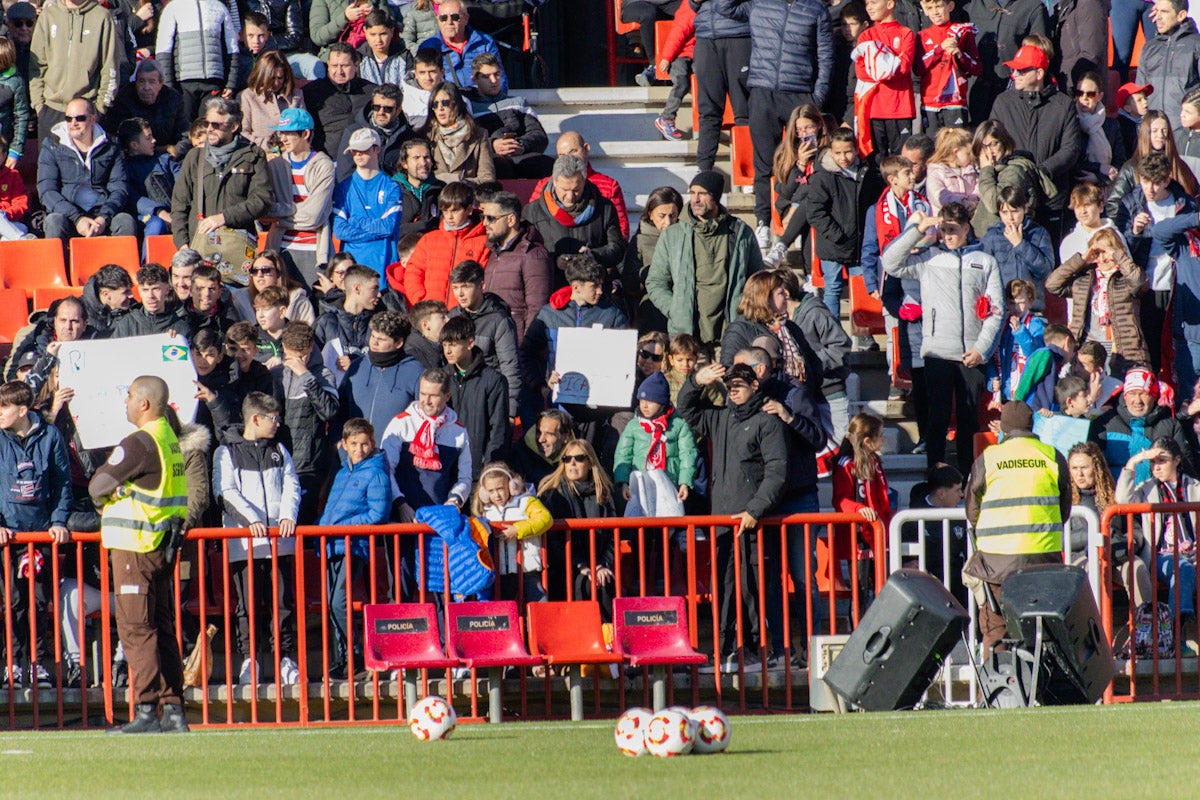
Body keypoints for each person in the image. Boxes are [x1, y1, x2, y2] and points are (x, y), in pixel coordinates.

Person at [88, 376, 189, 733]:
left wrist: (108, 497)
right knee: (161, 628)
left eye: (129, 395)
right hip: (159, 544)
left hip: (135, 547)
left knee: (136, 629)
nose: (126, 401)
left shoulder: (140, 442)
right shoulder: (168, 440)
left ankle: (146, 709)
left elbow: (97, 485)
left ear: (144, 403)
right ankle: (172, 710)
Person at [678, 361, 788, 671]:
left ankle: (755, 651)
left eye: (740, 384)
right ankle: (724, 649)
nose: (734, 389)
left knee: (753, 587)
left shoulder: (768, 422)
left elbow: (777, 472)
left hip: (753, 523)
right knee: (724, 587)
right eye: (730, 384)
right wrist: (696, 380)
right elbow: (686, 410)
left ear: (755, 385)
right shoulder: (721, 418)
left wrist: (755, 510)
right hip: (723, 522)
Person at [882, 203, 1004, 478]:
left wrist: (982, 349)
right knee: (936, 420)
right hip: (937, 351)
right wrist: (918, 230)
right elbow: (890, 262)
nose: (947, 235)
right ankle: (934, 477)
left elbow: (996, 310)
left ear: (966, 229)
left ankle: (967, 478)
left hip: (971, 354)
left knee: (968, 419)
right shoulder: (928, 259)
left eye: (953, 230)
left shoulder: (985, 261)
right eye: (944, 230)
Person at [723, 0, 832, 249]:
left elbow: (825, 55)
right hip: (763, 92)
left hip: (800, 93)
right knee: (764, 163)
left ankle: (796, 223)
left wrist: (817, 97)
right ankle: (763, 221)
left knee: (806, 159)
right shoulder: (759, 3)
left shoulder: (816, 9)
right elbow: (724, 9)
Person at [964, 400, 1071, 655]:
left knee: (996, 630)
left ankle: (998, 691)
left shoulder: (988, 458)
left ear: (1004, 427)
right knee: (1042, 630)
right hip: (1044, 560)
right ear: (1031, 425)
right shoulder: (1052, 455)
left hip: (996, 564)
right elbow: (1063, 510)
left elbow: (972, 510)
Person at [212, 391, 302, 686]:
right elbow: (226, 492)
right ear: (255, 419)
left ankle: (286, 658)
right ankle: (250, 658)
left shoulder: (279, 448)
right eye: (273, 419)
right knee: (248, 606)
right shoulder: (226, 452)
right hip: (245, 545)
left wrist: (287, 516)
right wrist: (252, 520)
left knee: (283, 603)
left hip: (280, 541)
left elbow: (292, 484)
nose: (278, 424)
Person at [0, 381, 72, 688]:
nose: (0, 412)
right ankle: (11, 663)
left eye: (4, 407)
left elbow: (62, 484)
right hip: (7, 538)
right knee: (10, 602)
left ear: (22, 410)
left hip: (40, 536)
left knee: (39, 602)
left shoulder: (50, 435)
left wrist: (58, 521)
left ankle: (37, 664)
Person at [645, 170, 762, 346]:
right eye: (692, 193)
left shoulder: (740, 233)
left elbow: (758, 281)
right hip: (687, 339)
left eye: (702, 193)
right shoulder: (673, 235)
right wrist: (675, 309)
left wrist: (744, 314)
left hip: (731, 336)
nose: (695, 199)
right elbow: (655, 282)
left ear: (715, 197)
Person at [319, 416, 393, 678]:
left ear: (372, 443)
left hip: (353, 544)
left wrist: (343, 525)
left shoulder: (376, 472)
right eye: (354, 444)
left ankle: (355, 656)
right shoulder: (342, 473)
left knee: (339, 602)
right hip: (332, 544)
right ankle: (342, 660)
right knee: (330, 603)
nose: (359, 449)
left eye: (364, 444)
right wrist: (324, 528)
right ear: (344, 444)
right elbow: (331, 508)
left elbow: (378, 514)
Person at [988, 44, 1082, 239]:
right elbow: (991, 143)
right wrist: (1012, 172)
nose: (1015, 74)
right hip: (1013, 199)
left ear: (1039, 73)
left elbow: (1071, 148)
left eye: (1021, 70)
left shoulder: (1063, 104)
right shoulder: (1003, 102)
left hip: (1051, 197)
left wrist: (1042, 172)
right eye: (1013, 69)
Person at [1117, 152, 1198, 372]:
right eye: (1145, 182)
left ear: (1166, 180)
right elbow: (1120, 249)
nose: (1150, 189)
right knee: (1149, 339)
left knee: (1176, 340)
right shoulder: (1131, 203)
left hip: (1177, 278)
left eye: (1156, 183)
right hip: (1146, 280)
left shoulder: (1184, 203)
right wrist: (1134, 231)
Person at [170, 96, 273, 250]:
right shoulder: (194, 157)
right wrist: (183, 245)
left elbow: (261, 200)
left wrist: (224, 218)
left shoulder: (253, 155)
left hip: (237, 245)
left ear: (234, 127)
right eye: (206, 123)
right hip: (199, 246)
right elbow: (179, 205)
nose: (209, 129)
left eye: (216, 124)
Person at [1116, 436, 1198, 625]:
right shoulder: (1147, 488)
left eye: (1162, 461)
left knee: (1185, 567)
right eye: (1152, 462)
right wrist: (1133, 462)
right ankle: (1173, 632)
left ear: (1177, 460)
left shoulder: (1194, 487)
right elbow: (1122, 499)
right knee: (1182, 569)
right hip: (1162, 555)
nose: (1156, 467)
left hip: (1193, 552)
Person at [38, 97, 135, 256]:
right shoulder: (52, 146)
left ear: (92, 119)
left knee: (124, 220)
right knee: (54, 221)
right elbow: (46, 191)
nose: (73, 123)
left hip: (101, 213)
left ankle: (119, 276)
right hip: (68, 212)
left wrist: (104, 218)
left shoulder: (111, 146)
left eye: (80, 118)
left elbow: (120, 188)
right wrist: (77, 218)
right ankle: (61, 276)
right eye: (69, 118)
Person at [1047, 228, 1149, 375]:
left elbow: (1140, 282)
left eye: (1106, 252)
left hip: (1122, 348)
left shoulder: (1126, 278)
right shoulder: (1084, 279)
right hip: (1087, 347)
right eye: (1097, 253)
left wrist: (1116, 254)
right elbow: (1052, 284)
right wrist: (1081, 260)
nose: (1102, 258)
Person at [807, 128, 883, 319]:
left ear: (856, 150)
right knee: (833, 288)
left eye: (848, 151)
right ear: (831, 152)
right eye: (838, 153)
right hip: (834, 245)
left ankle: (863, 334)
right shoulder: (823, 176)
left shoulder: (867, 174)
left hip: (858, 246)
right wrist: (838, 236)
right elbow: (815, 212)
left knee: (861, 287)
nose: (844, 157)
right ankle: (834, 336)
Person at [536, 438, 616, 618]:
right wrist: (581, 566)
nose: (572, 463)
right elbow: (554, 542)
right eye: (566, 458)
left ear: (590, 462)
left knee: (604, 580)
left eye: (579, 458)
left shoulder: (604, 494)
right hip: (563, 566)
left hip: (598, 564)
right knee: (584, 582)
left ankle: (607, 636)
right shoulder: (552, 493)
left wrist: (601, 565)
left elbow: (612, 536)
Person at [380, 367, 473, 516]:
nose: (426, 401)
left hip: (439, 517)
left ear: (447, 396)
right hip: (403, 515)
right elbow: (386, 469)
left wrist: (454, 500)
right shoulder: (401, 423)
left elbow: (464, 477)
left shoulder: (458, 432)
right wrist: (400, 503)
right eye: (423, 394)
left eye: (433, 396)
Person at [272, 323, 340, 524]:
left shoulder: (323, 375)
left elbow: (329, 411)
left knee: (304, 521)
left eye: (305, 355)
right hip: (278, 459)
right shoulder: (276, 374)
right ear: (284, 348)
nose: (300, 360)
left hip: (309, 463)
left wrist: (305, 376)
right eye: (295, 356)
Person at [523, 154, 626, 284]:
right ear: (554, 181)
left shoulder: (605, 208)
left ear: (584, 180)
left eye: (576, 190)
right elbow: (526, 255)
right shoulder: (532, 212)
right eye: (564, 189)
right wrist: (554, 260)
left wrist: (593, 255)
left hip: (592, 286)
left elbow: (617, 249)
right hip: (551, 287)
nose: (570, 196)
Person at [263, 108, 336, 287]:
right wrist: (295, 209)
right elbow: (265, 210)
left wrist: (280, 216)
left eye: (289, 133)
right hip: (280, 248)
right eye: (282, 133)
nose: (283, 138)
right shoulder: (275, 165)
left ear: (305, 133)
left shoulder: (324, 165)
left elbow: (313, 217)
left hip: (314, 250)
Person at [612, 369, 697, 513]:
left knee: (667, 521)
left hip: (669, 484)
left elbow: (687, 455)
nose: (644, 406)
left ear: (662, 403)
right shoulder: (634, 425)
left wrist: (684, 483)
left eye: (651, 402)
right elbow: (623, 455)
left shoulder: (678, 425)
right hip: (640, 486)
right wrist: (624, 482)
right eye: (642, 401)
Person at [28, 0, 119, 133]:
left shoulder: (102, 17)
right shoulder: (48, 16)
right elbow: (37, 67)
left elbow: (110, 68)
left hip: (86, 111)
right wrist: (40, 106)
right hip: (51, 110)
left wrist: (100, 108)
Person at [447, 259, 521, 417]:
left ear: (482, 285)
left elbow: (510, 367)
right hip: (457, 398)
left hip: (489, 398)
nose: (459, 294)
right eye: (455, 288)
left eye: (465, 287)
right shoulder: (452, 316)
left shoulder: (499, 320)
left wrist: (510, 411)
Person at [831, 412, 892, 598]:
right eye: (880, 436)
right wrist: (860, 510)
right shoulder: (846, 464)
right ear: (867, 441)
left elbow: (882, 498)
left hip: (877, 534)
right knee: (861, 593)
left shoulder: (874, 462)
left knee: (883, 592)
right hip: (857, 537)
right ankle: (859, 627)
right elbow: (840, 500)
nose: (883, 439)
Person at [398, 182, 489, 305]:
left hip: (464, 314)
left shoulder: (483, 242)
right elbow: (413, 272)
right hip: (432, 313)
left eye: (455, 211)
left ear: (469, 209)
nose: (449, 216)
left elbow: (484, 279)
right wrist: (420, 300)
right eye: (445, 211)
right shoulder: (428, 240)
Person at [1093, 367, 1193, 478]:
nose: (1137, 401)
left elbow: (1185, 467)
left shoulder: (1170, 425)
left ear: (1154, 397)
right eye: (1132, 393)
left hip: (1156, 493)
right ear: (1125, 396)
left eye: (1143, 394)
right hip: (1116, 492)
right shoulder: (1106, 423)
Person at [474, 461, 552, 603]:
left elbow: (545, 518)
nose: (496, 495)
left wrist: (518, 529)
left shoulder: (526, 501)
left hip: (528, 567)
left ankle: (541, 625)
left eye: (500, 488)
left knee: (538, 601)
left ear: (511, 486)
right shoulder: (487, 512)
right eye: (491, 491)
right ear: (484, 493)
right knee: (506, 607)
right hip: (502, 569)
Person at [527, 132, 630, 240]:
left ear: (586, 148)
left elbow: (621, 232)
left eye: (573, 151)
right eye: (562, 155)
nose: (569, 158)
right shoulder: (544, 185)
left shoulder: (609, 186)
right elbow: (532, 222)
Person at [481, 190, 553, 342]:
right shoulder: (494, 252)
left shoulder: (532, 254)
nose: (484, 223)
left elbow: (537, 308)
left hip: (517, 344)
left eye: (491, 218)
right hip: (494, 341)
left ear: (511, 220)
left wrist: (526, 348)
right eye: (483, 217)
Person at [441, 315, 510, 473]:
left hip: (477, 471)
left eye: (452, 345)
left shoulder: (493, 380)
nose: (448, 351)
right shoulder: (442, 378)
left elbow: (499, 430)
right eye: (444, 345)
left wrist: (490, 468)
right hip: (445, 469)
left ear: (470, 343)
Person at [690, 0, 751, 175]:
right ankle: (704, 169)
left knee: (744, 110)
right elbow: (691, 6)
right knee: (708, 109)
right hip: (705, 36)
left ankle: (748, 170)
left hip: (739, 34)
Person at [154, 0, 241, 123]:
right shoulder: (173, 8)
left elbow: (232, 48)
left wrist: (230, 83)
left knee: (210, 127)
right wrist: (168, 86)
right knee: (185, 128)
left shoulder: (219, 7)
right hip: (183, 85)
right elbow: (163, 50)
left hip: (214, 82)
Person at [340, 309, 424, 436]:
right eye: (373, 336)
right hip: (354, 452)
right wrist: (338, 442)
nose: (374, 342)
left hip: (395, 453)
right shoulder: (358, 365)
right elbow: (340, 407)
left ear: (399, 343)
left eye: (381, 339)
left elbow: (423, 418)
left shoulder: (415, 372)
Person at [332, 128, 403, 275]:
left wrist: (356, 221)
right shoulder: (343, 188)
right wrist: (375, 228)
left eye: (363, 149)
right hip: (352, 268)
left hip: (383, 266)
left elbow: (388, 227)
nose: (357, 154)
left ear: (377, 149)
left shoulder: (392, 187)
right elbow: (340, 230)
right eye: (354, 151)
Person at [469, 54, 552, 180]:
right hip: (489, 157)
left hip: (521, 154)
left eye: (497, 74)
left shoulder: (518, 102)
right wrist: (492, 145)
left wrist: (521, 145)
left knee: (547, 164)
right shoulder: (469, 106)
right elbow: (467, 140)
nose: (493, 81)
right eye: (486, 76)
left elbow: (539, 135)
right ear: (474, 79)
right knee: (500, 166)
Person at [963, 0, 1048, 122]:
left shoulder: (1033, 7)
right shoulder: (971, 4)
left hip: (1011, 91)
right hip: (973, 92)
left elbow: (1039, 55)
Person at [849, 0, 915, 159]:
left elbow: (904, 68)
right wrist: (890, 64)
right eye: (866, 4)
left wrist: (877, 65)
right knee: (876, 161)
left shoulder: (906, 33)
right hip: (873, 108)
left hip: (900, 108)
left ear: (890, 4)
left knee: (901, 160)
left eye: (873, 2)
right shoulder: (866, 36)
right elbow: (862, 72)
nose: (869, 7)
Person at [970, 119, 1056, 237]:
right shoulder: (993, 170)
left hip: (1006, 239)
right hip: (987, 239)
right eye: (983, 146)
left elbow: (994, 205)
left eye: (994, 144)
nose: (989, 151)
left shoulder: (1014, 171)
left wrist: (985, 170)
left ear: (1004, 143)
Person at [979, 186, 1054, 307]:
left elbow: (1045, 271)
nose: (1010, 218)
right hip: (1002, 306)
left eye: (1014, 211)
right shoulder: (992, 236)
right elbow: (981, 272)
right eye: (1004, 212)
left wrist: (1020, 244)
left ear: (1024, 208)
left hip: (1032, 307)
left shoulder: (1038, 233)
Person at [624, 187, 683, 332]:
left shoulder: (684, 236)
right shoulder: (640, 240)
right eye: (662, 216)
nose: (668, 222)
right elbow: (629, 281)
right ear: (650, 214)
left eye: (673, 215)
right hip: (652, 308)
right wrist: (650, 272)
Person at [102, 60, 188, 157]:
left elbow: (184, 136)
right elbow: (117, 136)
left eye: (152, 82)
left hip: (168, 158)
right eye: (142, 81)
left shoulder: (173, 98)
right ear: (136, 82)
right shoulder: (124, 97)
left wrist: (174, 152)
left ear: (161, 83)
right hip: (133, 158)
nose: (146, 87)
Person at [302, 43, 375, 159]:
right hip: (328, 159)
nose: (339, 71)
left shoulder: (371, 91)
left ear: (356, 65)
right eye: (334, 66)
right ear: (328, 66)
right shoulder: (312, 92)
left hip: (364, 158)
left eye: (345, 66)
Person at [917, 0, 978, 135]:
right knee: (932, 149)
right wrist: (939, 49)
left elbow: (976, 68)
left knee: (957, 147)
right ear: (925, 10)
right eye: (930, 8)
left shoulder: (962, 32)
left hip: (955, 102)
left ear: (950, 6)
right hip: (930, 103)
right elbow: (918, 68)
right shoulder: (922, 36)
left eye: (939, 6)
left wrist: (960, 54)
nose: (935, 12)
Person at [417, 0, 503, 93]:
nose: (449, 22)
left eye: (455, 17)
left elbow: (500, 79)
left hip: (484, 102)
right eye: (444, 18)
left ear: (466, 18)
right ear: (438, 20)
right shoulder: (428, 46)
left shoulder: (485, 42)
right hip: (449, 103)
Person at [334, 83, 413, 182]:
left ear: (398, 110)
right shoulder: (354, 132)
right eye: (376, 107)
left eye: (388, 109)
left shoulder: (408, 137)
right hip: (361, 191)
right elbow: (345, 174)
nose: (381, 112)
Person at [419, 81, 494, 185]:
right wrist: (442, 179)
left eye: (445, 103)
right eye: (435, 104)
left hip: (467, 196)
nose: (440, 108)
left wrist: (459, 181)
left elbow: (487, 178)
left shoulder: (479, 135)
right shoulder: (424, 136)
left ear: (456, 104)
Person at [314, 264, 381, 377]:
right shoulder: (326, 322)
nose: (379, 294)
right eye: (374, 289)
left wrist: (356, 363)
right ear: (357, 288)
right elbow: (312, 362)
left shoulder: (377, 323)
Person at [986, 278, 1044, 405]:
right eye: (1012, 303)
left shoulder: (1036, 325)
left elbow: (1036, 355)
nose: (1016, 307)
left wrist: (1020, 332)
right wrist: (992, 379)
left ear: (1030, 302)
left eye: (1021, 302)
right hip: (1004, 391)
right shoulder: (1001, 324)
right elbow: (990, 354)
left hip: (1027, 393)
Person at [1139, 0, 1200, 120]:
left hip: (1186, 132)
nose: (1158, 17)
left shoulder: (1196, 45)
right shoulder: (1148, 48)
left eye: (1164, 12)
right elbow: (1140, 92)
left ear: (1181, 15)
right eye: (1157, 11)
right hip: (1154, 131)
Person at [239, 51, 305, 151]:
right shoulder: (248, 96)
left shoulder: (297, 95)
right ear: (262, 75)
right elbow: (243, 133)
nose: (276, 83)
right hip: (261, 153)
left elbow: (305, 129)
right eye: (271, 78)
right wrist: (270, 147)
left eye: (280, 78)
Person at [651, 0, 695, 141]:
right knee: (681, 82)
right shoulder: (689, 8)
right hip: (679, 55)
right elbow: (677, 34)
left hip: (697, 54)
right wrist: (667, 57)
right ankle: (666, 118)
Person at [111, 263, 194, 339]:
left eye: (156, 289)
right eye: (145, 290)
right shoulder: (126, 325)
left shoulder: (180, 329)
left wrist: (176, 343)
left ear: (167, 289)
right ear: (139, 291)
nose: (150, 296)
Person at [1012, 323, 1077, 413]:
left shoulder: (1054, 360)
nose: (1072, 355)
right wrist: (1014, 408)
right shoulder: (1045, 354)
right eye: (1073, 349)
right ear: (1067, 341)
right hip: (1032, 412)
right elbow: (1026, 382)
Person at [1074, 72, 1122, 185]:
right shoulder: (1070, 122)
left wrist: (1099, 178)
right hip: (1077, 188)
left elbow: (1120, 162)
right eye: (1079, 93)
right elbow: (1071, 161)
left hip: (1106, 187)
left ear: (1100, 96)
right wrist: (1099, 167)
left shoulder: (1112, 126)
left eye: (1090, 94)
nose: (1084, 98)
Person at [511, 409, 575, 488]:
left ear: (565, 437)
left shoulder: (577, 458)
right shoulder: (518, 456)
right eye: (538, 432)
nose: (541, 439)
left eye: (549, 434)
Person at [925, 127, 979, 216]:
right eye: (968, 153)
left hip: (969, 221)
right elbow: (938, 195)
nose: (972, 157)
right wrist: (962, 202)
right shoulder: (936, 172)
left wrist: (973, 200)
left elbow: (979, 187)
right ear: (956, 152)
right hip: (946, 223)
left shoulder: (971, 170)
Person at [187, 264, 242, 336]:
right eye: (200, 288)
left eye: (211, 289)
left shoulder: (228, 323)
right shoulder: (180, 319)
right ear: (191, 291)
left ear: (219, 292)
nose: (206, 294)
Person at [358, 9, 408, 86]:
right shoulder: (358, 57)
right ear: (365, 32)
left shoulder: (404, 56)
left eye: (383, 34)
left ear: (391, 31)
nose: (378, 40)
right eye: (373, 34)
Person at [403, 47, 445, 129]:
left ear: (442, 72)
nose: (428, 77)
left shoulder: (456, 96)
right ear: (415, 73)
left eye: (432, 72)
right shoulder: (403, 99)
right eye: (422, 72)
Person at [406, 300, 449, 369]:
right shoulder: (412, 357)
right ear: (426, 325)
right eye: (443, 317)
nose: (448, 320)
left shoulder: (441, 346)